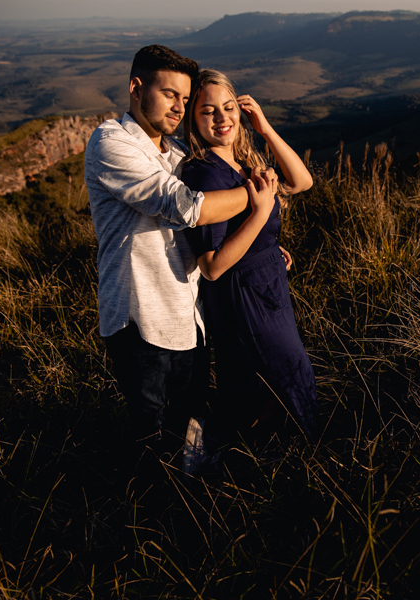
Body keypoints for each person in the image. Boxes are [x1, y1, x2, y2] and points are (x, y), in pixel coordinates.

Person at [84, 46, 277, 478]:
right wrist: (260, 198)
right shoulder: (111, 142)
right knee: (149, 436)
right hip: (140, 319)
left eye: (185, 99)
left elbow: (215, 226)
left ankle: (190, 499)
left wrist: (262, 245)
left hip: (189, 318)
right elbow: (187, 206)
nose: (179, 107)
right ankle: (147, 510)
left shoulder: (176, 154)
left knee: (190, 426)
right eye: (169, 94)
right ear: (136, 88)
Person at [180, 69, 317, 443]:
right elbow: (212, 266)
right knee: (285, 377)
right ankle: (290, 455)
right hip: (242, 297)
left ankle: (261, 456)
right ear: (193, 119)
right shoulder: (204, 174)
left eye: (228, 107)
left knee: (273, 381)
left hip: (268, 286)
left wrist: (264, 128)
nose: (222, 118)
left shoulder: (243, 162)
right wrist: (260, 215)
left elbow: (301, 182)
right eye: (208, 111)